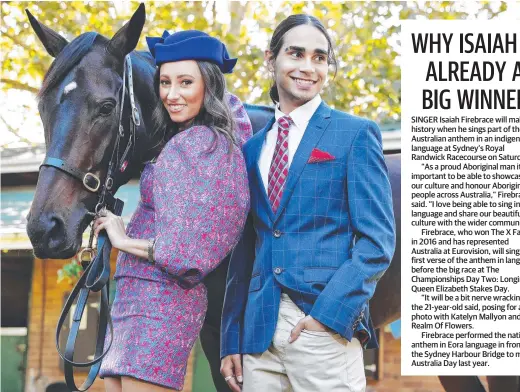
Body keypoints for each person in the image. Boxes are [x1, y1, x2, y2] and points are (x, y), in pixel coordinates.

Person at [220, 14, 396, 392]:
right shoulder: (250, 151)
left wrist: (329, 316)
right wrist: (230, 339)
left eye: (319, 57)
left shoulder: (355, 135)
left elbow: (376, 243)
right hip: (258, 338)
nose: (307, 67)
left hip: (322, 331)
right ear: (272, 59)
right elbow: (244, 250)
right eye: (296, 53)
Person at [95, 30, 252, 391]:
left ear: (208, 86)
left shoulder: (205, 144)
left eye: (185, 82)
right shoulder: (180, 140)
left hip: (162, 303)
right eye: (165, 82)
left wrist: (123, 238)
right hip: (135, 298)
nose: (172, 94)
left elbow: (188, 253)